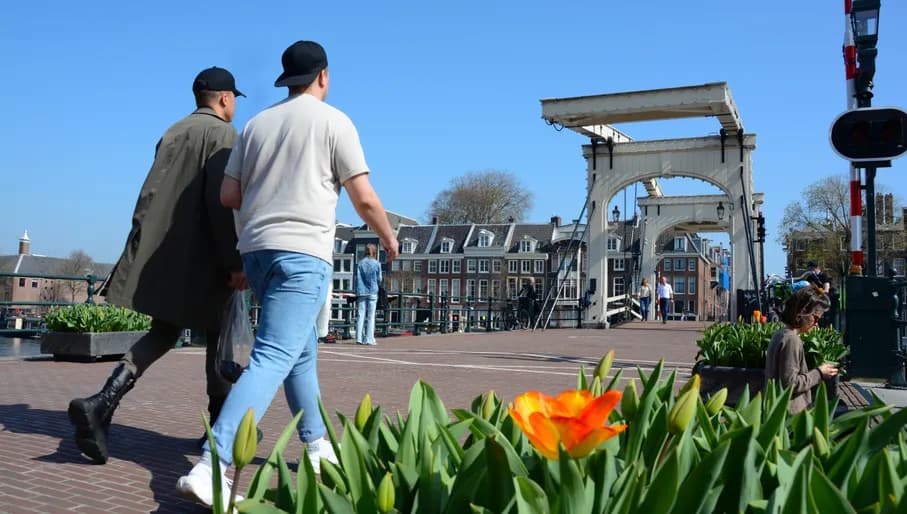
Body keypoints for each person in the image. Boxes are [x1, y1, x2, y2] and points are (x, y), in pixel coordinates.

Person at [177, 40, 399, 509]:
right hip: (303, 253)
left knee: (299, 353)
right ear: (323, 76)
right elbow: (363, 198)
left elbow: (229, 197)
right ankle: (210, 464)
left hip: (257, 252)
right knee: (274, 355)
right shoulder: (335, 122)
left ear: (286, 80)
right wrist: (388, 236)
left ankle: (318, 448)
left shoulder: (257, 125)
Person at [67, 67, 246, 465]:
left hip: (168, 254)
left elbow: (151, 194)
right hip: (207, 258)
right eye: (234, 98)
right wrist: (234, 261)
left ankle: (102, 402)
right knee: (220, 339)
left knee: (163, 331)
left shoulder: (173, 130)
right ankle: (219, 432)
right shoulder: (224, 136)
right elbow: (222, 204)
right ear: (224, 98)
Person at [765, 285, 839, 414]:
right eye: (815, 318)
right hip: (790, 413)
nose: (816, 324)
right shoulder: (792, 340)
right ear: (802, 312)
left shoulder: (781, 334)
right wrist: (819, 373)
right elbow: (790, 383)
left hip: (778, 409)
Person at [356, 244, 382, 345]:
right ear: (375, 252)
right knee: (371, 316)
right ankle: (369, 339)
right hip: (372, 291)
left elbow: (357, 278)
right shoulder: (377, 264)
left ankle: (359, 338)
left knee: (360, 315)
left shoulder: (360, 263)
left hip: (361, 291)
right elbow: (379, 279)